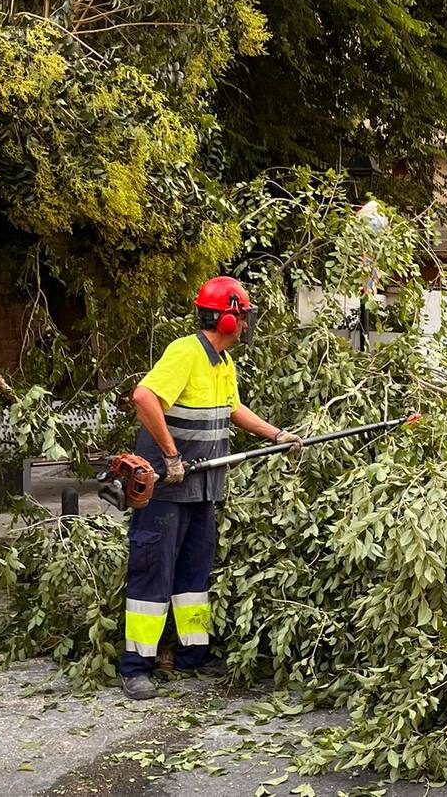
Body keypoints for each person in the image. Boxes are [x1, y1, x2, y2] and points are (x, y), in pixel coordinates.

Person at [120, 276, 303, 700]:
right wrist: (170, 455)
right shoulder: (186, 352)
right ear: (225, 319)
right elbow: (144, 396)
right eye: (241, 317)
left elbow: (232, 408)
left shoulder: (222, 362)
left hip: (203, 488)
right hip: (166, 489)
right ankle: (136, 667)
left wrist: (276, 436)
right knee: (153, 573)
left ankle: (190, 655)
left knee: (192, 575)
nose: (245, 325)